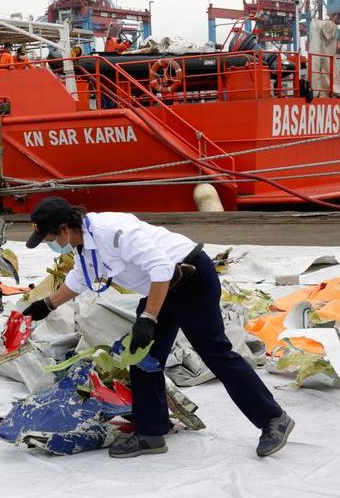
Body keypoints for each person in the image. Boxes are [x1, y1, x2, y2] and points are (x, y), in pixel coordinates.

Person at [21, 196, 293, 459]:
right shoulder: (84, 245)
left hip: (191, 278)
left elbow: (161, 267)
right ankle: (150, 432)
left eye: (50, 238)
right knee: (142, 357)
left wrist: (148, 319)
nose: (52, 244)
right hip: (163, 287)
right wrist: (46, 306)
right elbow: (81, 278)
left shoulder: (112, 230)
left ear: (65, 229)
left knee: (215, 353)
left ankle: (273, 419)